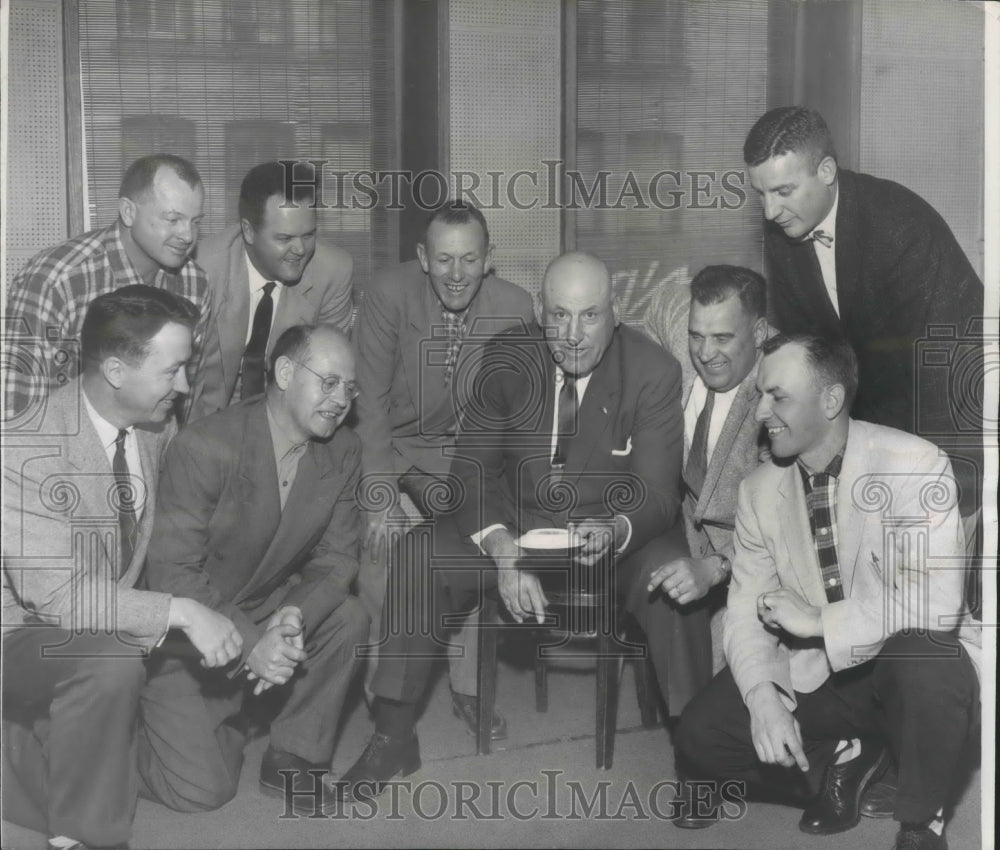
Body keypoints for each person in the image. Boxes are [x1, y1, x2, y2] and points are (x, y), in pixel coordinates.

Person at [332, 251, 712, 807]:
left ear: (615, 312)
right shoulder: (507, 357)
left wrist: (614, 528)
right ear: (538, 312)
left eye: (589, 316)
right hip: (517, 531)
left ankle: (698, 759)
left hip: (613, 536)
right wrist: (503, 551)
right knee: (421, 551)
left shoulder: (653, 370)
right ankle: (393, 736)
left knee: (672, 577)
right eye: (559, 316)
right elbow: (471, 470)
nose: (574, 334)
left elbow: (657, 494)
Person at [673, 333, 980, 850]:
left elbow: (937, 601)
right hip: (819, 675)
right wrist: (763, 700)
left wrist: (818, 622)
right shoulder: (758, 491)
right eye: (760, 396)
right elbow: (745, 612)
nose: (760, 413)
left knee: (928, 662)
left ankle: (920, 820)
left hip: (901, 668)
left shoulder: (913, 464)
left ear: (831, 401)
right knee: (700, 739)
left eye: (778, 396)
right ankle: (852, 758)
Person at [1, 285, 242, 850]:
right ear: (114, 370)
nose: (184, 388)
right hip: (22, 636)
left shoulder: (155, 428)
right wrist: (181, 611)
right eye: (173, 371)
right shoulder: (23, 446)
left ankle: (57, 756)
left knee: (205, 785)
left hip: (118, 630)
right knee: (108, 664)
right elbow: (57, 596)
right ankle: (84, 835)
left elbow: (170, 544)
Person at [141, 324, 368, 817]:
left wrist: (292, 616)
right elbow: (172, 573)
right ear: (285, 372)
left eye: (349, 388)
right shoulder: (205, 446)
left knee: (347, 616)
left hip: (264, 606)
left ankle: (292, 758)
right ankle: (117, 734)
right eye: (328, 382)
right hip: (188, 631)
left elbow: (338, 559)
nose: (341, 399)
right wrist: (252, 644)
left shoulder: (344, 449)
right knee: (203, 790)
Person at [743, 106, 984, 519]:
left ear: (826, 171)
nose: (769, 211)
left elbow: (949, 363)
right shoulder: (783, 232)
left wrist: (952, 491)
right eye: (761, 194)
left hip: (951, 416)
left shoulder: (900, 224)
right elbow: (811, 354)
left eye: (783, 191)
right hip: (872, 424)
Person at [352, 201, 534, 740]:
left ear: (489, 260)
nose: (457, 275)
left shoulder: (517, 308)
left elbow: (515, 421)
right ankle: (386, 700)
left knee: (479, 547)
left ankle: (468, 687)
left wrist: (498, 500)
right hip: (399, 452)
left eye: (470, 260)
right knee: (382, 558)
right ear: (423, 258)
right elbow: (372, 407)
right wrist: (382, 497)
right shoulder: (388, 294)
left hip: (470, 462)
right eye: (445, 259)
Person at [3, 154, 211, 428]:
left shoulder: (194, 284)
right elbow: (19, 409)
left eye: (195, 221)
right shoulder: (57, 280)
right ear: (128, 211)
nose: (187, 235)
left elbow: (182, 390)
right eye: (172, 219)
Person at [644, 265, 769, 671]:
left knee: (729, 688)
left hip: (751, 558)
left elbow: (782, 530)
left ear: (761, 334)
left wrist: (715, 569)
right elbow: (662, 304)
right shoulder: (682, 325)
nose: (705, 353)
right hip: (679, 523)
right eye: (697, 336)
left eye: (723, 338)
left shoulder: (777, 403)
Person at [188, 161, 354, 421]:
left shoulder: (334, 271)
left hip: (288, 418)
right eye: (284, 238)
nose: (300, 249)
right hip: (206, 417)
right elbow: (187, 383)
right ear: (248, 231)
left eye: (309, 235)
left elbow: (327, 379)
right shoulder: (202, 271)